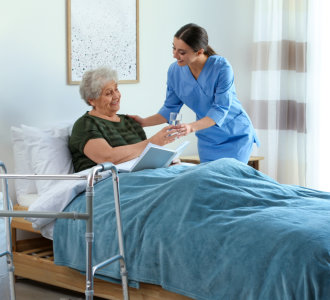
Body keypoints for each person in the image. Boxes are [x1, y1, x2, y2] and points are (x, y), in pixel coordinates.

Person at [130, 23, 260, 164]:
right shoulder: (175, 71)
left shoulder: (221, 67)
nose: (174, 55)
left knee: (231, 180)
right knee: (209, 182)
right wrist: (143, 122)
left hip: (236, 135)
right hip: (208, 138)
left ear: (199, 52)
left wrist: (190, 127)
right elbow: (169, 109)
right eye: (173, 48)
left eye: (182, 52)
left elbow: (220, 109)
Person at [69, 67, 179, 172]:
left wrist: (165, 162)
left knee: (192, 174)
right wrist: (153, 142)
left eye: (116, 89)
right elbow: (108, 157)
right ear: (92, 100)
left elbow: (143, 158)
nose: (116, 96)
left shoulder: (129, 122)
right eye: (108, 93)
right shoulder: (85, 124)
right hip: (108, 182)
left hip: (141, 177)